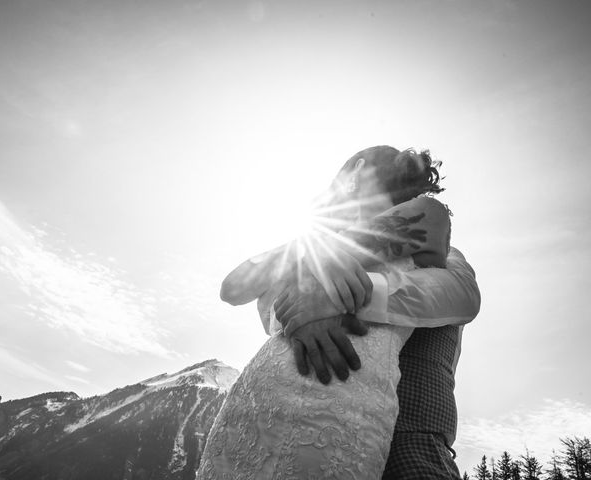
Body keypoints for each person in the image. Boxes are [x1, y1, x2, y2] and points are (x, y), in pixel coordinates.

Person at [196, 146, 480, 479]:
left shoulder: (443, 250)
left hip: (405, 442)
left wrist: (333, 297)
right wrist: (310, 278)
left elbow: (464, 295)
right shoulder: (313, 253)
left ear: (356, 172)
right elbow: (235, 289)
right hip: (263, 411)